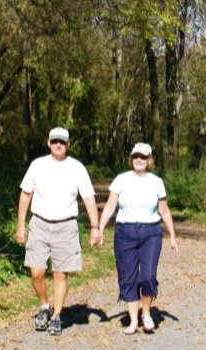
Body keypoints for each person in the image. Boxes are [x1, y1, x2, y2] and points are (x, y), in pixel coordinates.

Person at [16, 127, 102, 336]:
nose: (58, 145)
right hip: (39, 223)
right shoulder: (38, 165)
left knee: (60, 273)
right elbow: (26, 194)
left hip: (66, 225)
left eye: (62, 142)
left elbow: (89, 198)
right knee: (36, 272)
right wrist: (21, 224)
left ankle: (56, 316)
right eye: (55, 141)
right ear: (48, 143)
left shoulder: (77, 168)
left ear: (68, 145)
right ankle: (44, 306)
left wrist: (95, 226)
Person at [97, 142, 178, 335]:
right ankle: (133, 320)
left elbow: (164, 211)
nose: (139, 160)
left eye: (143, 157)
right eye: (136, 157)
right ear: (131, 159)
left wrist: (173, 236)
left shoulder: (156, 182)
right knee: (128, 277)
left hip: (151, 233)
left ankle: (147, 314)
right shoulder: (121, 180)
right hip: (125, 232)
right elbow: (109, 207)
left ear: (150, 160)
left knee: (148, 275)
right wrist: (99, 229)